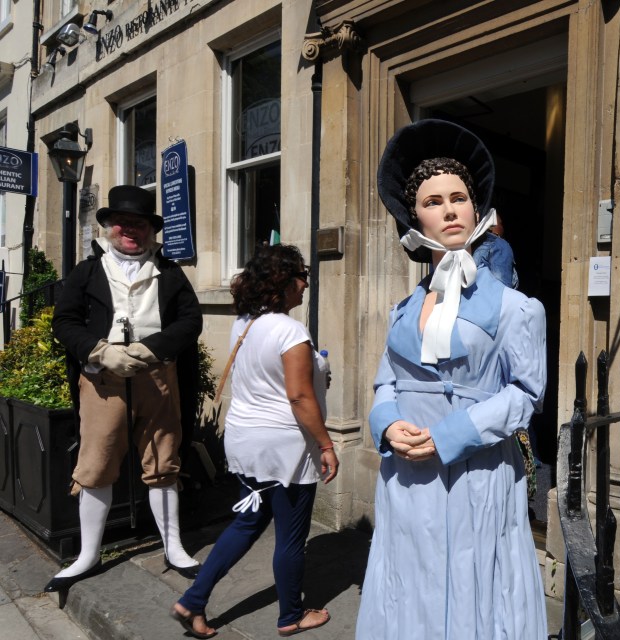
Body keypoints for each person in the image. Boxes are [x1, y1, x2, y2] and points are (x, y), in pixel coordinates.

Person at [356, 119, 548, 639]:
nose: (449, 210)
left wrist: (449, 437)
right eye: (433, 200)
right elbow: (385, 383)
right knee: (409, 587)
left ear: (476, 207)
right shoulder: (403, 309)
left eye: (458, 197)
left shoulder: (515, 307)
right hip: (407, 479)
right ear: (414, 215)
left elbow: (526, 395)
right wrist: (388, 425)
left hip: (475, 476)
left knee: (473, 590)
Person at [171, 243, 338, 639]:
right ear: (282, 282)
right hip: (284, 447)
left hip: (245, 441)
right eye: (301, 277)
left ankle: (193, 600)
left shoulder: (245, 322)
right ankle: (291, 616)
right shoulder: (291, 330)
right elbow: (298, 396)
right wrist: (327, 445)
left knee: (247, 522)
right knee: (291, 535)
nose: (304, 286)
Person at [46, 185, 203, 607]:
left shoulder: (169, 271)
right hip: (103, 382)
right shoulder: (87, 271)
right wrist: (100, 351)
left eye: (139, 224)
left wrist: (153, 348)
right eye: (123, 223)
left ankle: (174, 548)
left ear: (151, 230)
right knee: (95, 465)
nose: (130, 230)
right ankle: (88, 554)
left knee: (164, 463)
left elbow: (191, 320)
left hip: (158, 378)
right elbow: (64, 321)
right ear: (111, 228)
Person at [472, 209, 520, 288]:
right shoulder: (499, 244)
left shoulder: (470, 246)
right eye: (500, 224)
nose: (503, 228)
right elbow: (501, 289)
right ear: (491, 225)